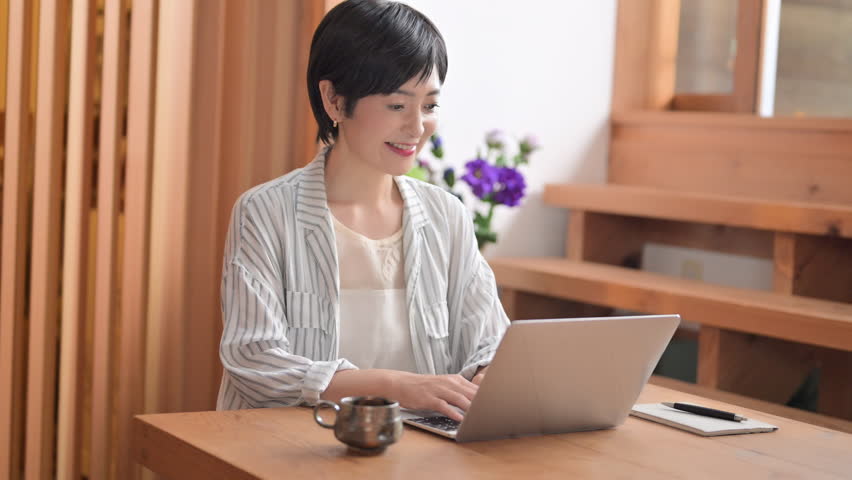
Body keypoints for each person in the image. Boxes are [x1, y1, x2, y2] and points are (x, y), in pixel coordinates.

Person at [216, 0, 510, 422]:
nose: (417, 127)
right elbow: (255, 363)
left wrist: (487, 375)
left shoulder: (447, 216)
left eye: (429, 106)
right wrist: (395, 385)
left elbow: (490, 340)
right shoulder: (265, 212)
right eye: (397, 105)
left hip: (419, 451)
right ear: (334, 101)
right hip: (290, 448)